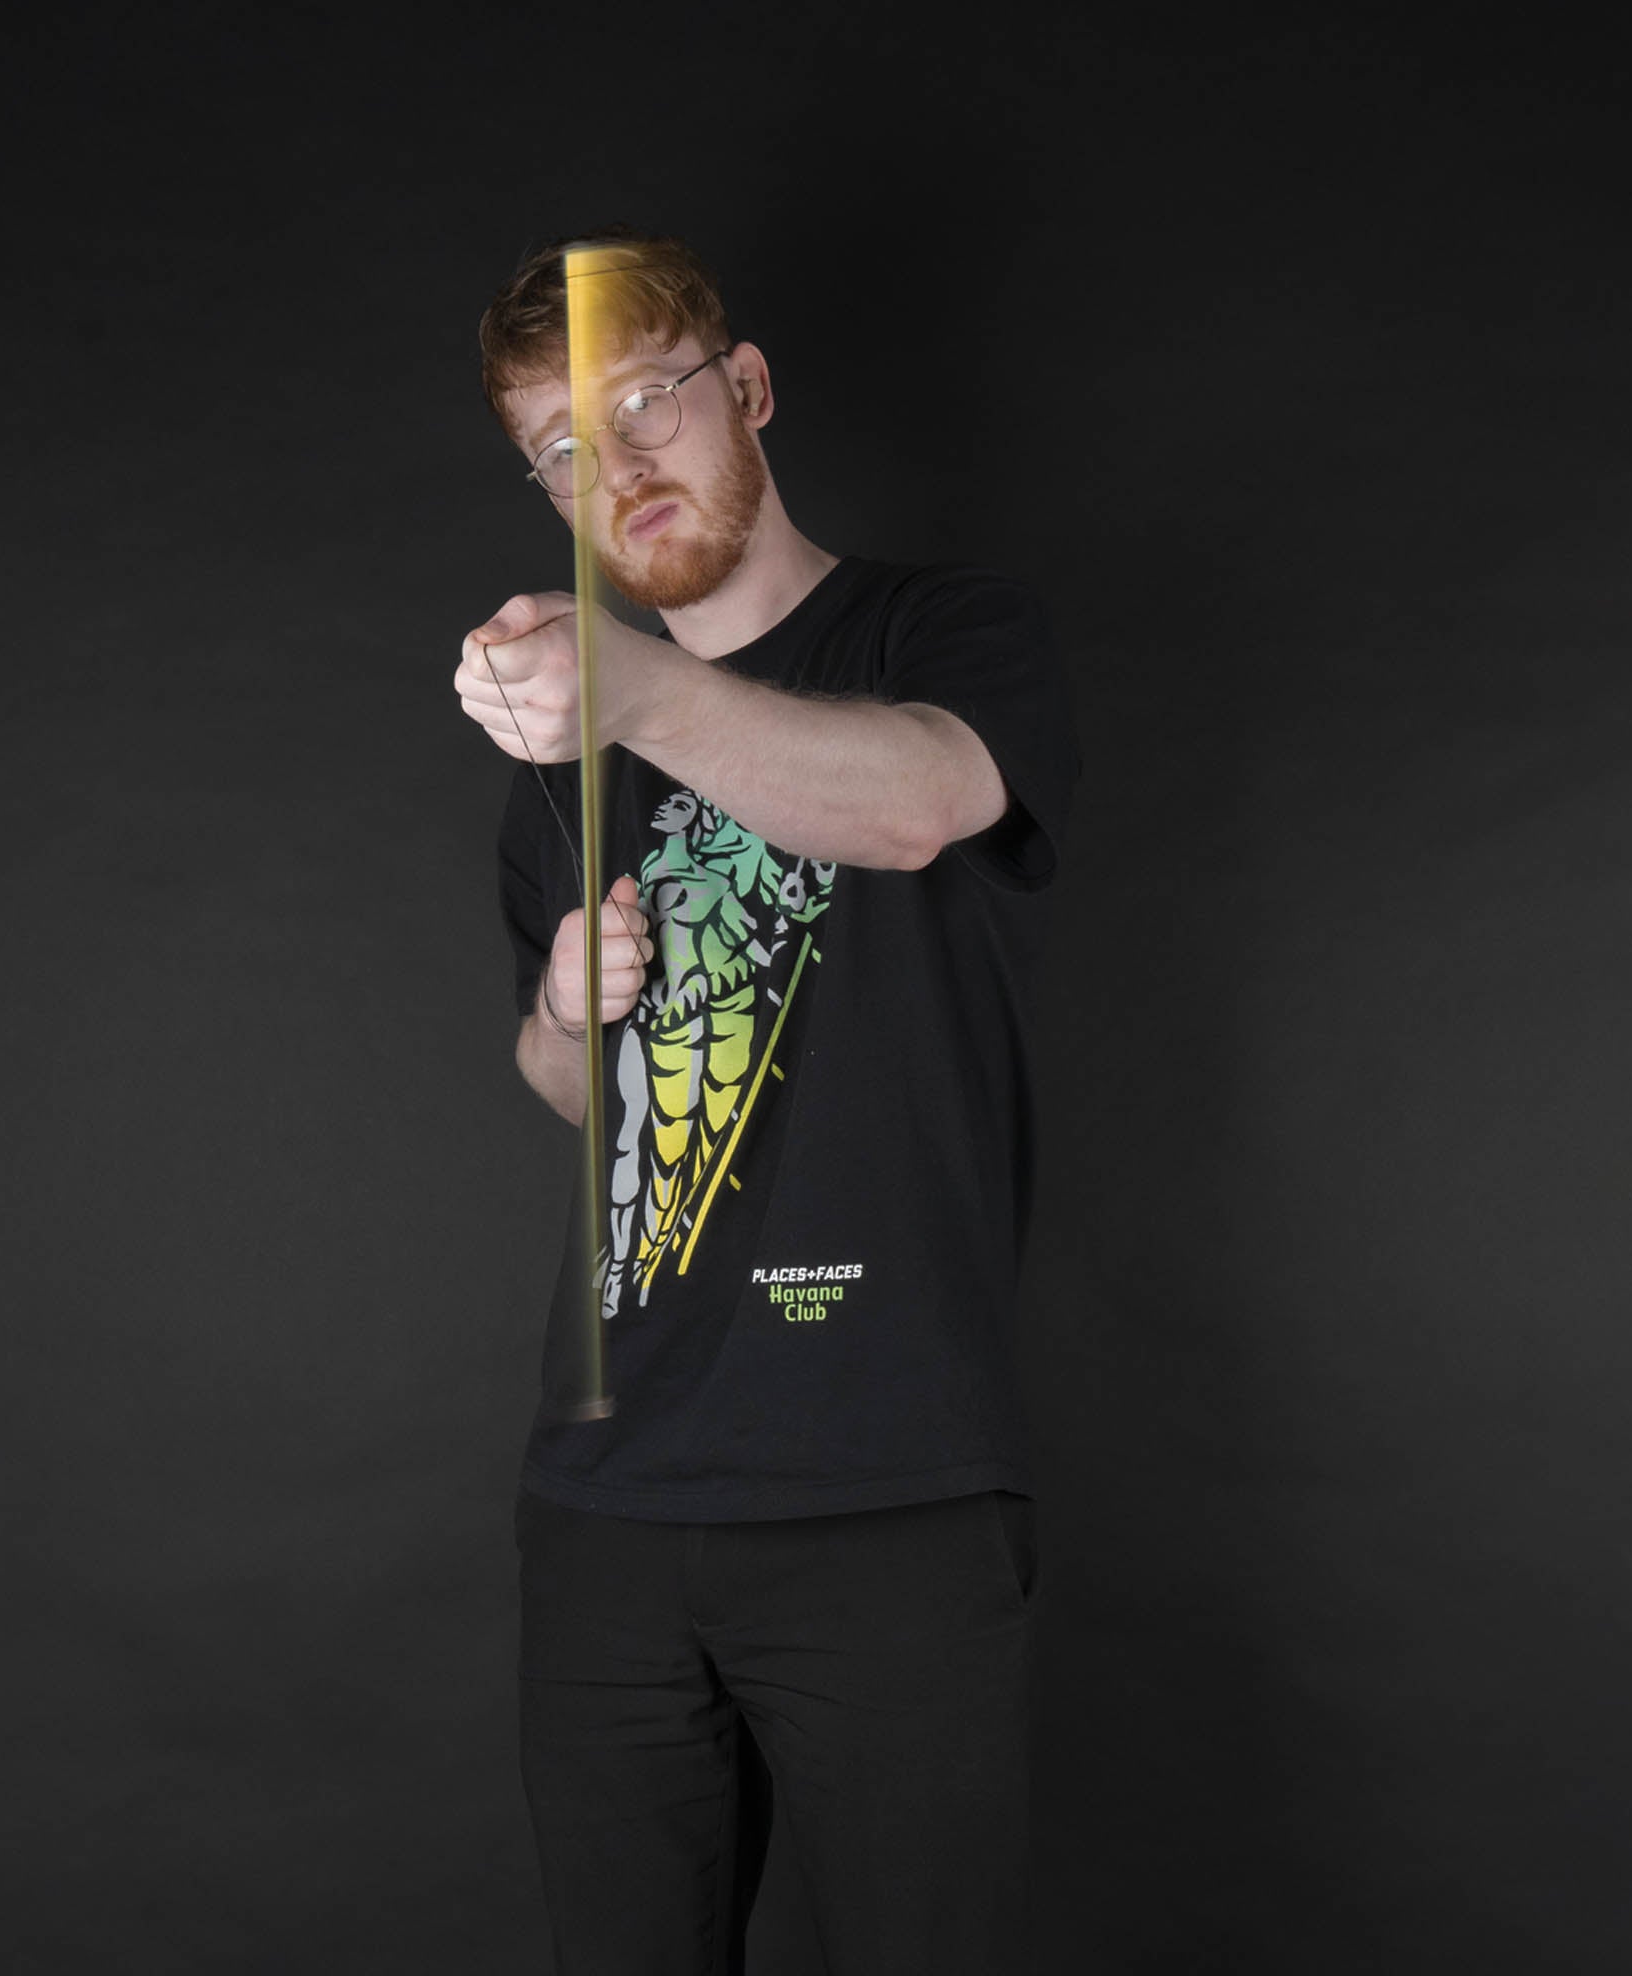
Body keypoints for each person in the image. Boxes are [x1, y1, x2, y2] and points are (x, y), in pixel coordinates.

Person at [454, 231, 1079, 1974]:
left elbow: (917, 805)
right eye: (560, 446)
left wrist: (636, 686)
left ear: (748, 387)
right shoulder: (561, 765)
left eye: (647, 400)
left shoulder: (943, 630)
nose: (616, 463)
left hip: (889, 1492)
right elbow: (569, 1089)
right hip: (606, 1500)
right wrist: (572, 1009)